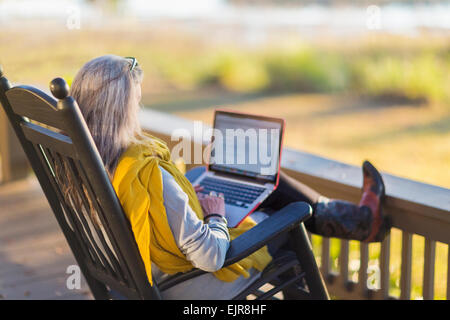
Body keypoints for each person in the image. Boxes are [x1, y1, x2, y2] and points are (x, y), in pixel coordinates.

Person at [68, 55, 390, 300]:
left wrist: (186, 197)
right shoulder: (147, 174)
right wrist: (216, 216)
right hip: (187, 288)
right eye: (137, 103)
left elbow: (153, 212)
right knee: (288, 221)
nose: (139, 109)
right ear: (124, 111)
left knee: (261, 188)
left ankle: (355, 220)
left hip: (135, 280)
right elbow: (211, 256)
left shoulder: (82, 168)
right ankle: (354, 221)